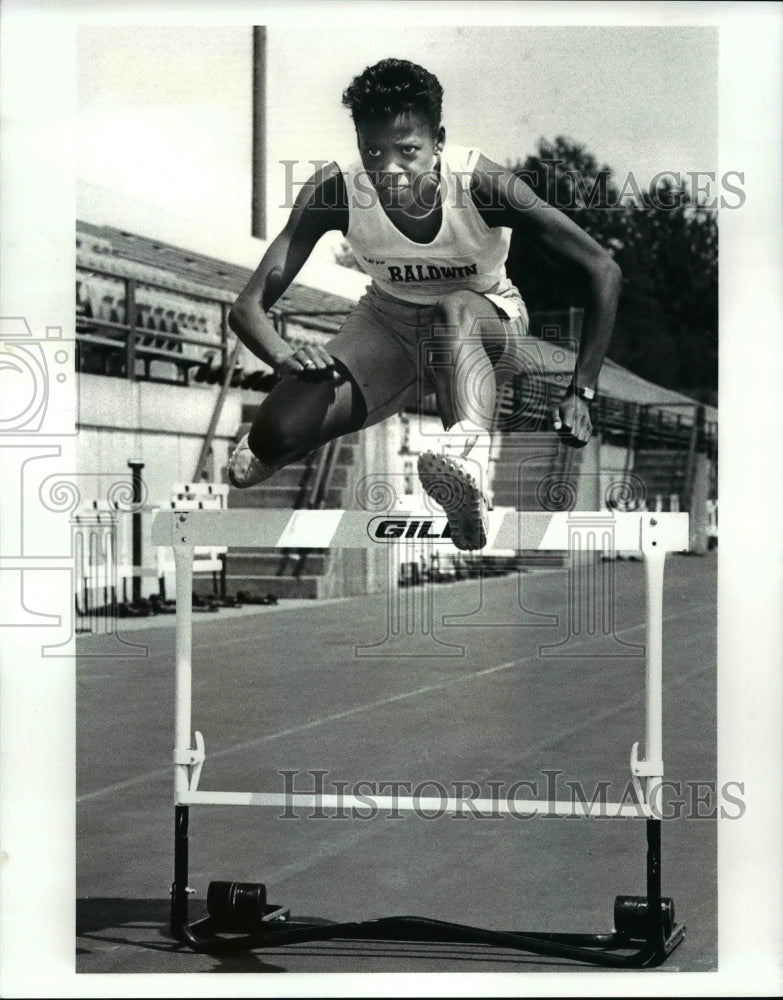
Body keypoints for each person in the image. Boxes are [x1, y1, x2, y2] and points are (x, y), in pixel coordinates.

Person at [227, 58, 621, 550]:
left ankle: (465, 466)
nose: (387, 169)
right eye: (372, 151)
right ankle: (279, 437)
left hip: (482, 324)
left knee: (452, 309)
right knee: (274, 436)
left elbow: (602, 269)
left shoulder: (483, 185)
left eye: (407, 151)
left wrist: (580, 390)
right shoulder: (336, 192)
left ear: (439, 142)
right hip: (387, 325)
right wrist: (285, 357)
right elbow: (246, 308)